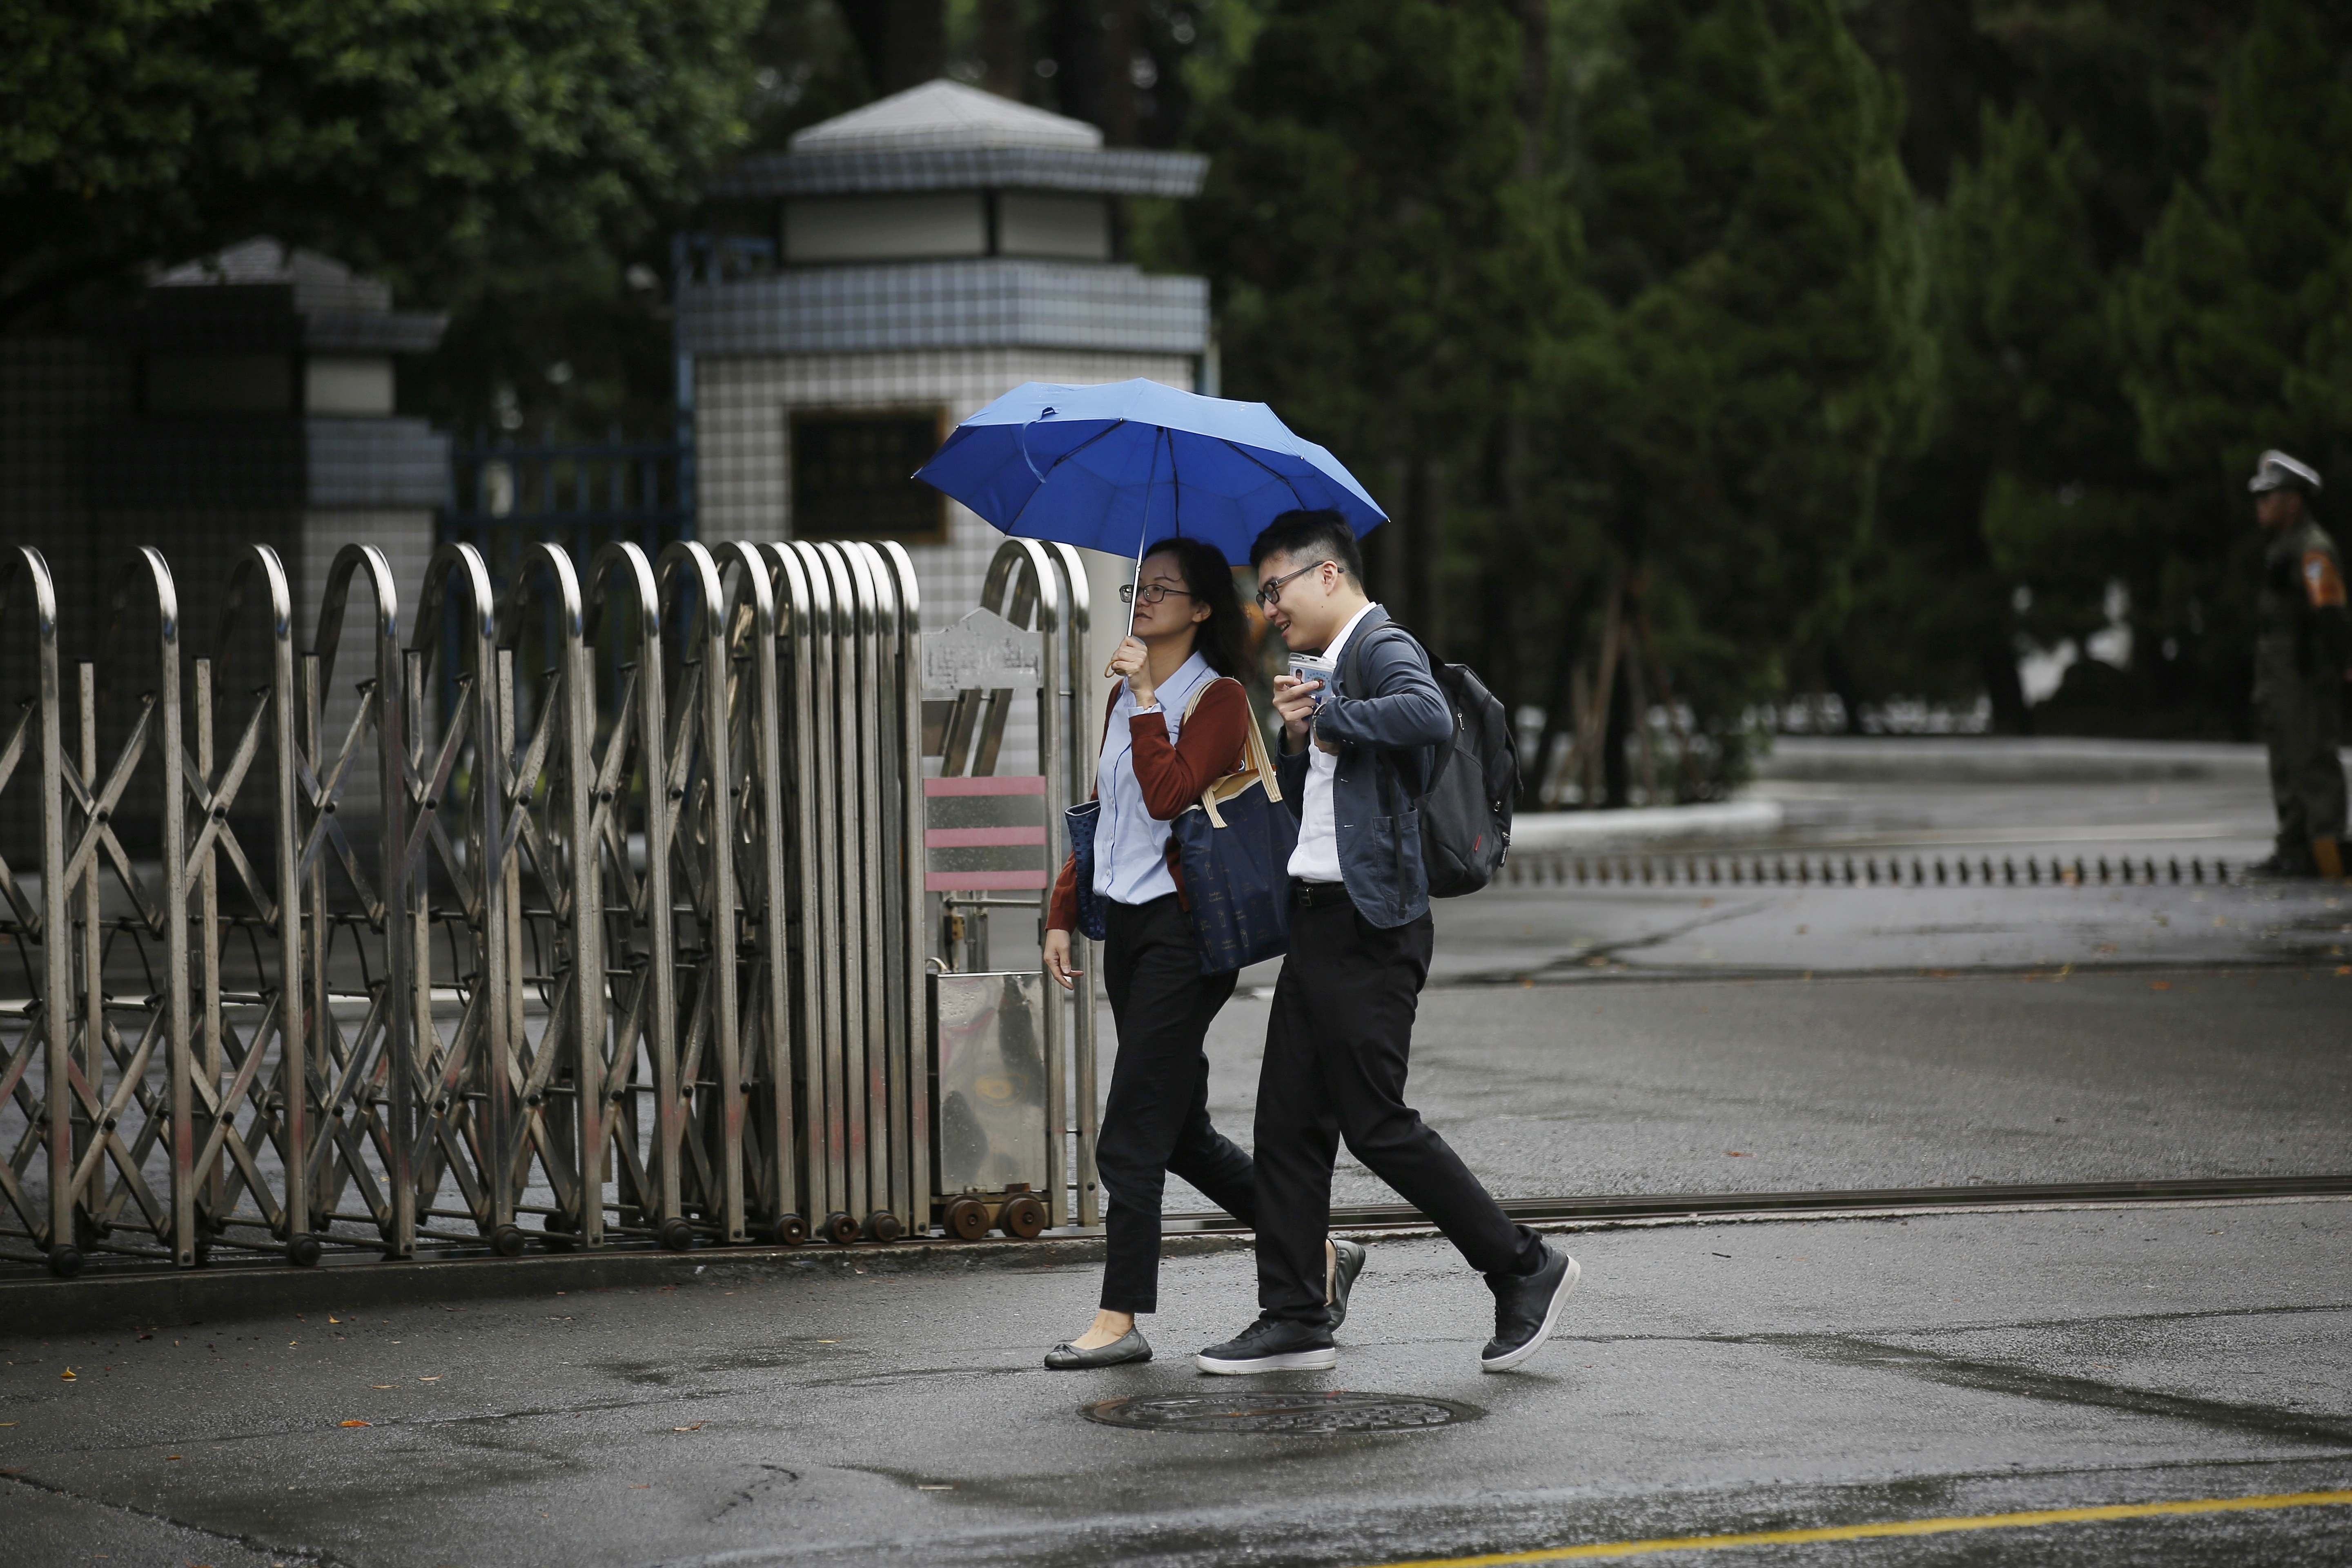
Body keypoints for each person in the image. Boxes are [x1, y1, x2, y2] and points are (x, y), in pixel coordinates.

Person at [1195, 510, 1577, 1376]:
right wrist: (1302, 738)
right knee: (1289, 1125)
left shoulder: (1379, 644)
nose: (1269, 609)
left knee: (1377, 1124)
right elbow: (1330, 801)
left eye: (1275, 588)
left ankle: (1524, 1266)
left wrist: (1330, 716)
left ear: (1328, 576)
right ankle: (1294, 1313)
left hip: (1371, 927)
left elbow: (1426, 715)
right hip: (1324, 919)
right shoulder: (1334, 668)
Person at [1040, 536, 1365, 1369]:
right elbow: (1110, 815)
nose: (1142, 601)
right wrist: (1061, 910)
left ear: (1201, 608)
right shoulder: (1125, 699)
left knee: (1130, 1133)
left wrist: (1146, 695)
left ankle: (1120, 1320)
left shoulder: (1216, 700)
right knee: (1180, 1133)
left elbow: (1169, 792)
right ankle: (1319, 1251)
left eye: (1162, 589)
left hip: (1190, 938)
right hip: (1130, 930)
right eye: (1137, 589)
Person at [2246, 450, 2349, 879]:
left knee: (2312, 759)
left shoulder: (2312, 549)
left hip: (2305, 673)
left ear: (2294, 502)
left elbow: (2329, 610)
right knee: (2286, 759)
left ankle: (2327, 855)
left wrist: (2343, 660)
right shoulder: (2283, 547)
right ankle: (2293, 849)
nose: (2261, 506)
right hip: (2279, 672)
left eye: (2270, 497)